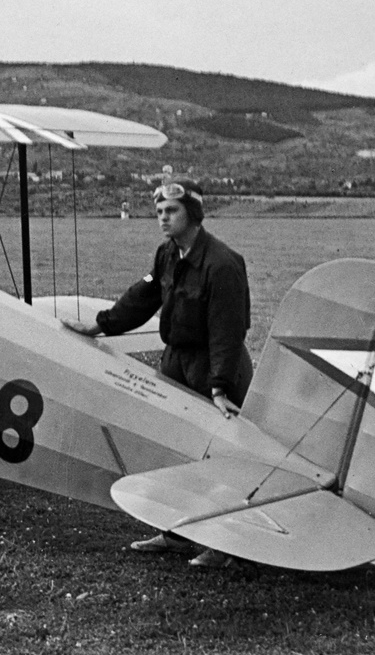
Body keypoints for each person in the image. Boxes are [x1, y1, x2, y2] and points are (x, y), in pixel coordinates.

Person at [61, 178, 253, 569]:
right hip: (176, 361)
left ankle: (227, 544)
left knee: (219, 455)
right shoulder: (168, 254)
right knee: (173, 448)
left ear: (193, 215)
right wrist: (100, 326)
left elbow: (229, 330)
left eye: (172, 211)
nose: (163, 218)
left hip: (214, 366)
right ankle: (176, 533)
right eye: (159, 212)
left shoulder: (222, 263)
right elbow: (143, 297)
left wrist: (219, 387)